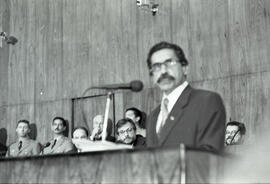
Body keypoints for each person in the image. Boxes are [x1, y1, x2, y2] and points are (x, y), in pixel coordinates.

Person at [146, 41, 226, 153]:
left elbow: (209, 156)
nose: (163, 71)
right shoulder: (152, 117)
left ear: (185, 68)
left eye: (169, 63)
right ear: (152, 76)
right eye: (156, 67)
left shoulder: (206, 101)